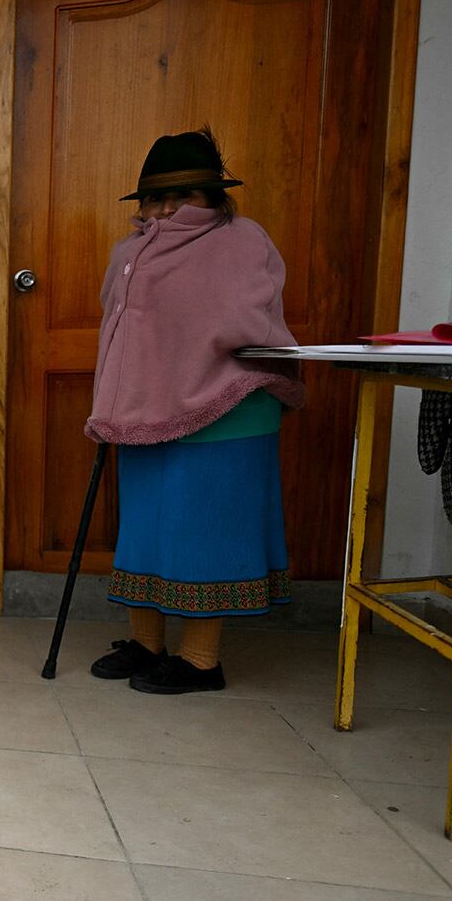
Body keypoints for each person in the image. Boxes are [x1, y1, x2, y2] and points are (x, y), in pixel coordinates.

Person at [85, 130, 305, 694]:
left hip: (223, 406)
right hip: (145, 409)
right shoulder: (130, 251)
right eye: (154, 200)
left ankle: (202, 660)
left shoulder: (242, 241)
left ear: (213, 195)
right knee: (145, 531)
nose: (165, 210)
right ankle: (146, 644)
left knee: (205, 534)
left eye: (183, 196)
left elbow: (244, 320)